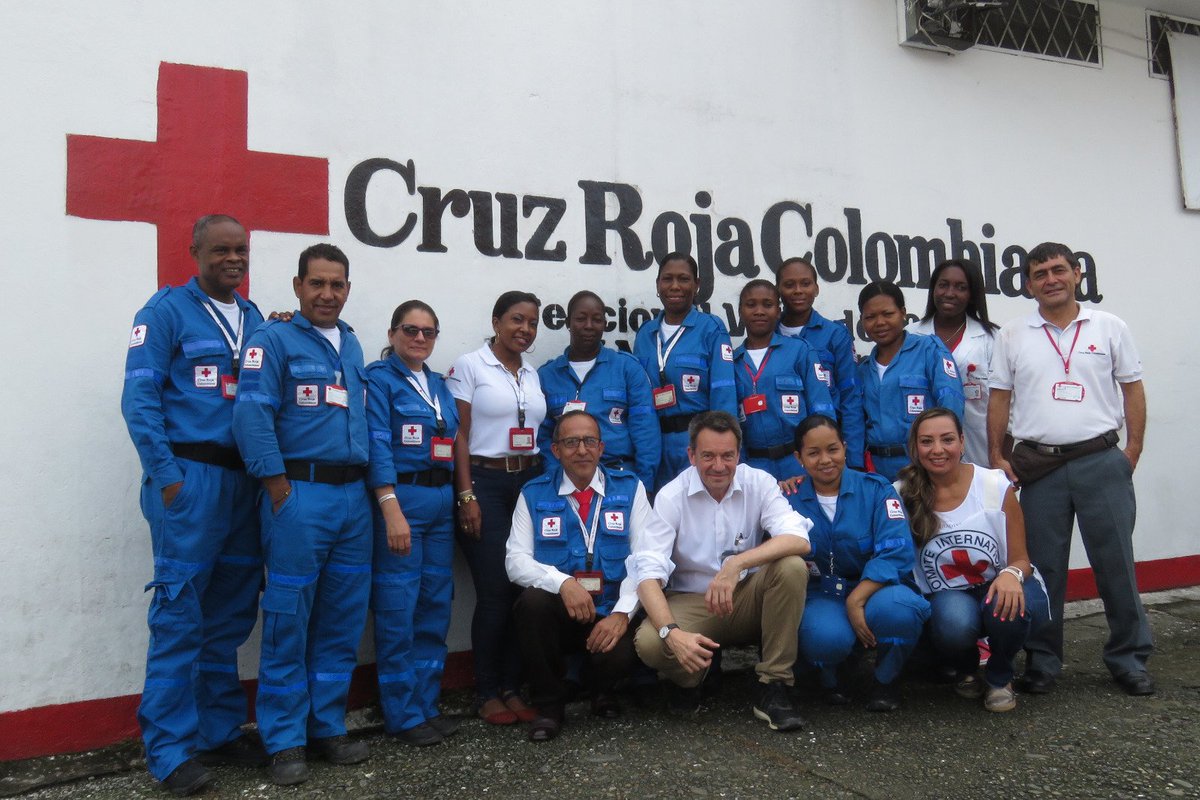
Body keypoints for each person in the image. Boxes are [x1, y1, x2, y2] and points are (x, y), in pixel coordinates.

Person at [121, 215, 266, 796]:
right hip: (191, 479)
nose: (233, 259)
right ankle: (169, 750)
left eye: (241, 250)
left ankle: (218, 728)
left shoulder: (255, 319)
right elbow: (139, 399)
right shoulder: (163, 313)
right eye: (221, 250)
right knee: (180, 614)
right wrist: (168, 477)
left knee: (228, 615)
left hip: (244, 484)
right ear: (196, 253)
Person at [987, 242, 1153, 697]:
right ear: (1027, 284)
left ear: (1077, 274)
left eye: (1058, 270)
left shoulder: (1109, 327)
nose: (1050, 279)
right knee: (1044, 570)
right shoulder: (1013, 335)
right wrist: (998, 457)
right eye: (1039, 273)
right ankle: (1043, 660)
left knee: (1115, 564)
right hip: (1039, 466)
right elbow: (999, 398)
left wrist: (1132, 452)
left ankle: (1129, 658)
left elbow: (1132, 390)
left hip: (1101, 460)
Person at [232, 244, 371, 785]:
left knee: (340, 618)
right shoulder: (273, 340)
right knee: (289, 617)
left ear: (348, 289)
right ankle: (285, 738)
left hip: (352, 499)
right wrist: (276, 484)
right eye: (317, 284)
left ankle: (326, 726)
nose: (327, 294)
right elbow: (251, 415)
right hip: (298, 495)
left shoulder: (353, 344)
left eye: (337, 285)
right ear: (297, 286)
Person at [632, 411, 812, 731]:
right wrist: (671, 633)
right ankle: (692, 676)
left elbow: (798, 538)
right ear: (691, 456)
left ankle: (774, 684)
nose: (718, 466)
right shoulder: (671, 496)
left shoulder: (759, 482)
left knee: (791, 568)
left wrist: (736, 564)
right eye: (708, 456)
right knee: (650, 641)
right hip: (693, 600)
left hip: (745, 595)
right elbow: (646, 575)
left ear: (738, 455)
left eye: (727, 455)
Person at [506, 410, 671, 741]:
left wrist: (623, 614)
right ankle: (550, 708)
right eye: (571, 442)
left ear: (601, 447)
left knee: (625, 648)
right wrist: (563, 583)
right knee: (531, 604)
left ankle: (603, 690)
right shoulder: (533, 493)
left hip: (611, 612)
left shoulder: (630, 488)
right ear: (555, 450)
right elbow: (515, 560)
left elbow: (647, 559)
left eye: (589, 441)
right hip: (565, 614)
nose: (581, 450)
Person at [898, 408, 1049, 712]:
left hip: (999, 581)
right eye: (927, 441)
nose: (937, 449)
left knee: (1007, 606)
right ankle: (965, 667)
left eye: (947, 439)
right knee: (953, 624)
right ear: (915, 447)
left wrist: (1011, 575)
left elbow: (1021, 558)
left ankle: (999, 676)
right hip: (948, 593)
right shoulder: (902, 493)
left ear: (963, 442)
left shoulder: (994, 485)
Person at [448, 291, 547, 725]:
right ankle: (486, 690)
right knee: (493, 590)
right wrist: (466, 495)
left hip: (527, 483)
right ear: (496, 321)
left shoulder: (532, 372)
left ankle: (511, 685)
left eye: (532, 323)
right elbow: (459, 437)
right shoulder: (469, 367)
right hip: (485, 483)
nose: (524, 330)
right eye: (516, 320)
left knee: (523, 589)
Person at [788, 415, 930, 711]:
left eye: (833, 449)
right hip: (821, 593)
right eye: (813, 453)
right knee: (824, 637)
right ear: (798, 458)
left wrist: (857, 598)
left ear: (845, 447)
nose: (825, 460)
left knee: (900, 611)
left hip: (876, 589)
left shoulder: (877, 489)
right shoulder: (787, 498)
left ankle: (885, 681)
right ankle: (831, 678)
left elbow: (898, 551)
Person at [365, 301, 460, 746]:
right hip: (402, 499)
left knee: (434, 606)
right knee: (398, 608)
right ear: (392, 333)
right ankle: (402, 714)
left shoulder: (440, 385)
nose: (419, 338)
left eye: (428, 331)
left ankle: (426, 704)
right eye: (410, 329)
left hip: (441, 501)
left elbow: (454, 441)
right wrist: (389, 505)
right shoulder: (378, 380)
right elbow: (377, 445)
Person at [633, 252, 737, 491]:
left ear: (697, 285)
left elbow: (724, 396)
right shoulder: (645, 335)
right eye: (667, 279)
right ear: (658, 285)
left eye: (684, 279)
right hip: (656, 444)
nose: (675, 286)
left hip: (697, 442)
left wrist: (719, 447)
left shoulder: (711, 329)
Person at [538, 290, 661, 489]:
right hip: (566, 482)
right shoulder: (547, 376)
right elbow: (543, 438)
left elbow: (646, 432)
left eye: (596, 319)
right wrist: (555, 480)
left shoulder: (627, 368)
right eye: (581, 319)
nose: (588, 326)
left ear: (604, 324)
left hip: (619, 477)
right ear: (568, 322)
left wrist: (644, 486)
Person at [857, 281, 965, 481]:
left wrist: (944, 456)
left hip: (925, 466)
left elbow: (951, 404)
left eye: (888, 314)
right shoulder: (862, 371)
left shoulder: (928, 350)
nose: (879, 322)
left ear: (903, 313)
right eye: (870, 317)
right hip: (879, 474)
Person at [733, 280, 835, 479]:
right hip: (754, 466)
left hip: (797, 462)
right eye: (751, 305)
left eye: (767, 304)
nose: (759, 311)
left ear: (778, 311)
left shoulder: (799, 351)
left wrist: (817, 459)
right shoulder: (732, 361)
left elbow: (822, 408)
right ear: (740, 311)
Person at [907, 259, 998, 468]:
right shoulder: (911, 336)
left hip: (978, 451)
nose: (949, 293)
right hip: (925, 453)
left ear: (972, 294)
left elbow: (1003, 404)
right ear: (933, 289)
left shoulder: (991, 338)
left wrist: (1000, 455)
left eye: (960, 287)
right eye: (943, 285)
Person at [775, 257, 865, 469]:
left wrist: (853, 461)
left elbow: (851, 399)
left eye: (805, 283)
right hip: (784, 452)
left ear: (816, 288)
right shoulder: (768, 335)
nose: (798, 290)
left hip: (826, 455)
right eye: (789, 285)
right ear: (778, 290)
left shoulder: (835, 335)